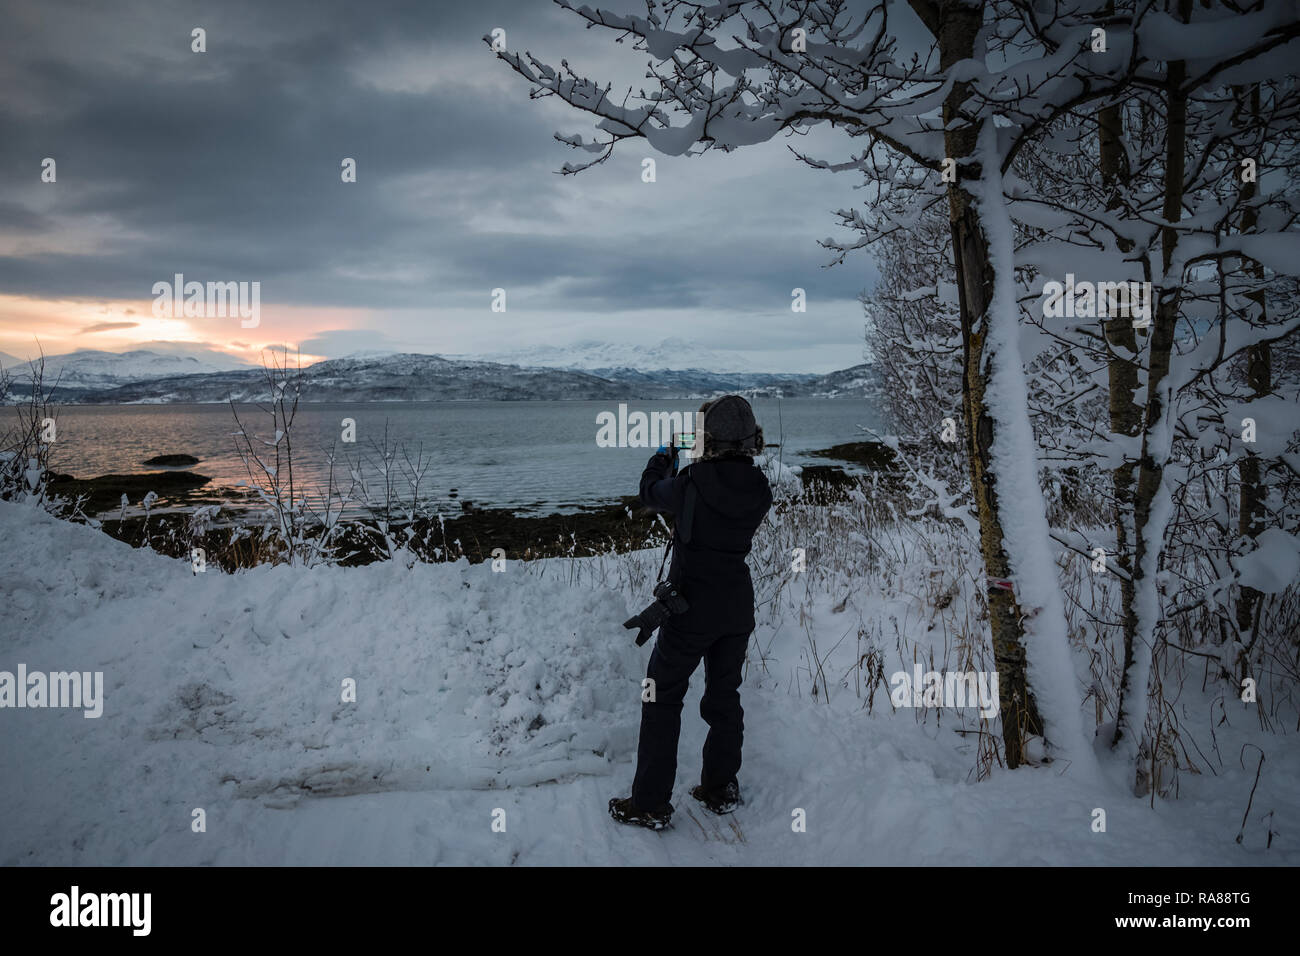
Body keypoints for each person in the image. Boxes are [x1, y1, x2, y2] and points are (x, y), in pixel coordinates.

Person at [609, 395, 773, 830]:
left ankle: (649, 804)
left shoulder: (690, 483)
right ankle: (720, 789)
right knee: (724, 696)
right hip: (736, 605)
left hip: (690, 607)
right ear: (751, 439)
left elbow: (649, 491)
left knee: (660, 697)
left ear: (706, 438)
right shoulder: (759, 487)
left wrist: (665, 455)